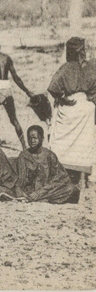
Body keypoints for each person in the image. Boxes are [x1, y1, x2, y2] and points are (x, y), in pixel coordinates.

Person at [46, 36, 96, 186]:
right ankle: (83, 175)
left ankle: (63, 169)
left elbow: (53, 88)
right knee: (86, 142)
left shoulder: (66, 68)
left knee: (60, 140)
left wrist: (62, 99)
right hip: (86, 107)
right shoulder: (90, 68)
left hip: (70, 106)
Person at [15, 125, 80, 204]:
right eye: (30, 138)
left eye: (35, 138)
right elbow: (21, 178)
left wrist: (40, 192)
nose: (32, 141)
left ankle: (41, 199)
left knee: (72, 189)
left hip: (46, 191)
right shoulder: (24, 155)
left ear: (42, 138)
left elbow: (60, 177)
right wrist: (18, 189)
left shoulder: (50, 155)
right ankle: (39, 199)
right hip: (30, 192)